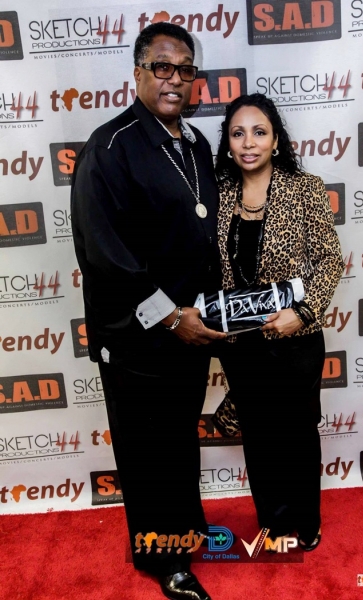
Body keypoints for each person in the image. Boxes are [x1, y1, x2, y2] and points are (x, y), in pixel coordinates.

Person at [71, 22, 225, 600]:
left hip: (188, 331)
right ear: (138, 74)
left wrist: (202, 315)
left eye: (185, 69)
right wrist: (170, 317)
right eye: (162, 67)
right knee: (146, 451)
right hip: (139, 336)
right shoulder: (108, 148)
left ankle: (185, 531)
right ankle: (164, 561)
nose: (174, 79)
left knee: (178, 441)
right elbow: (106, 255)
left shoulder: (196, 144)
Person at [215, 93, 344, 551]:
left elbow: (329, 261)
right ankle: (272, 520)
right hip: (242, 345)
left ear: (275, 140)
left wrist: (302, 314)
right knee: (259, 435)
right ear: (228, 142)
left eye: (259, 132)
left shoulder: (305, 188)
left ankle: (306, 521)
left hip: (295, 340)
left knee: (297, 433)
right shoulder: (217, 193)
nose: (248, 143)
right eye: (238, 133)